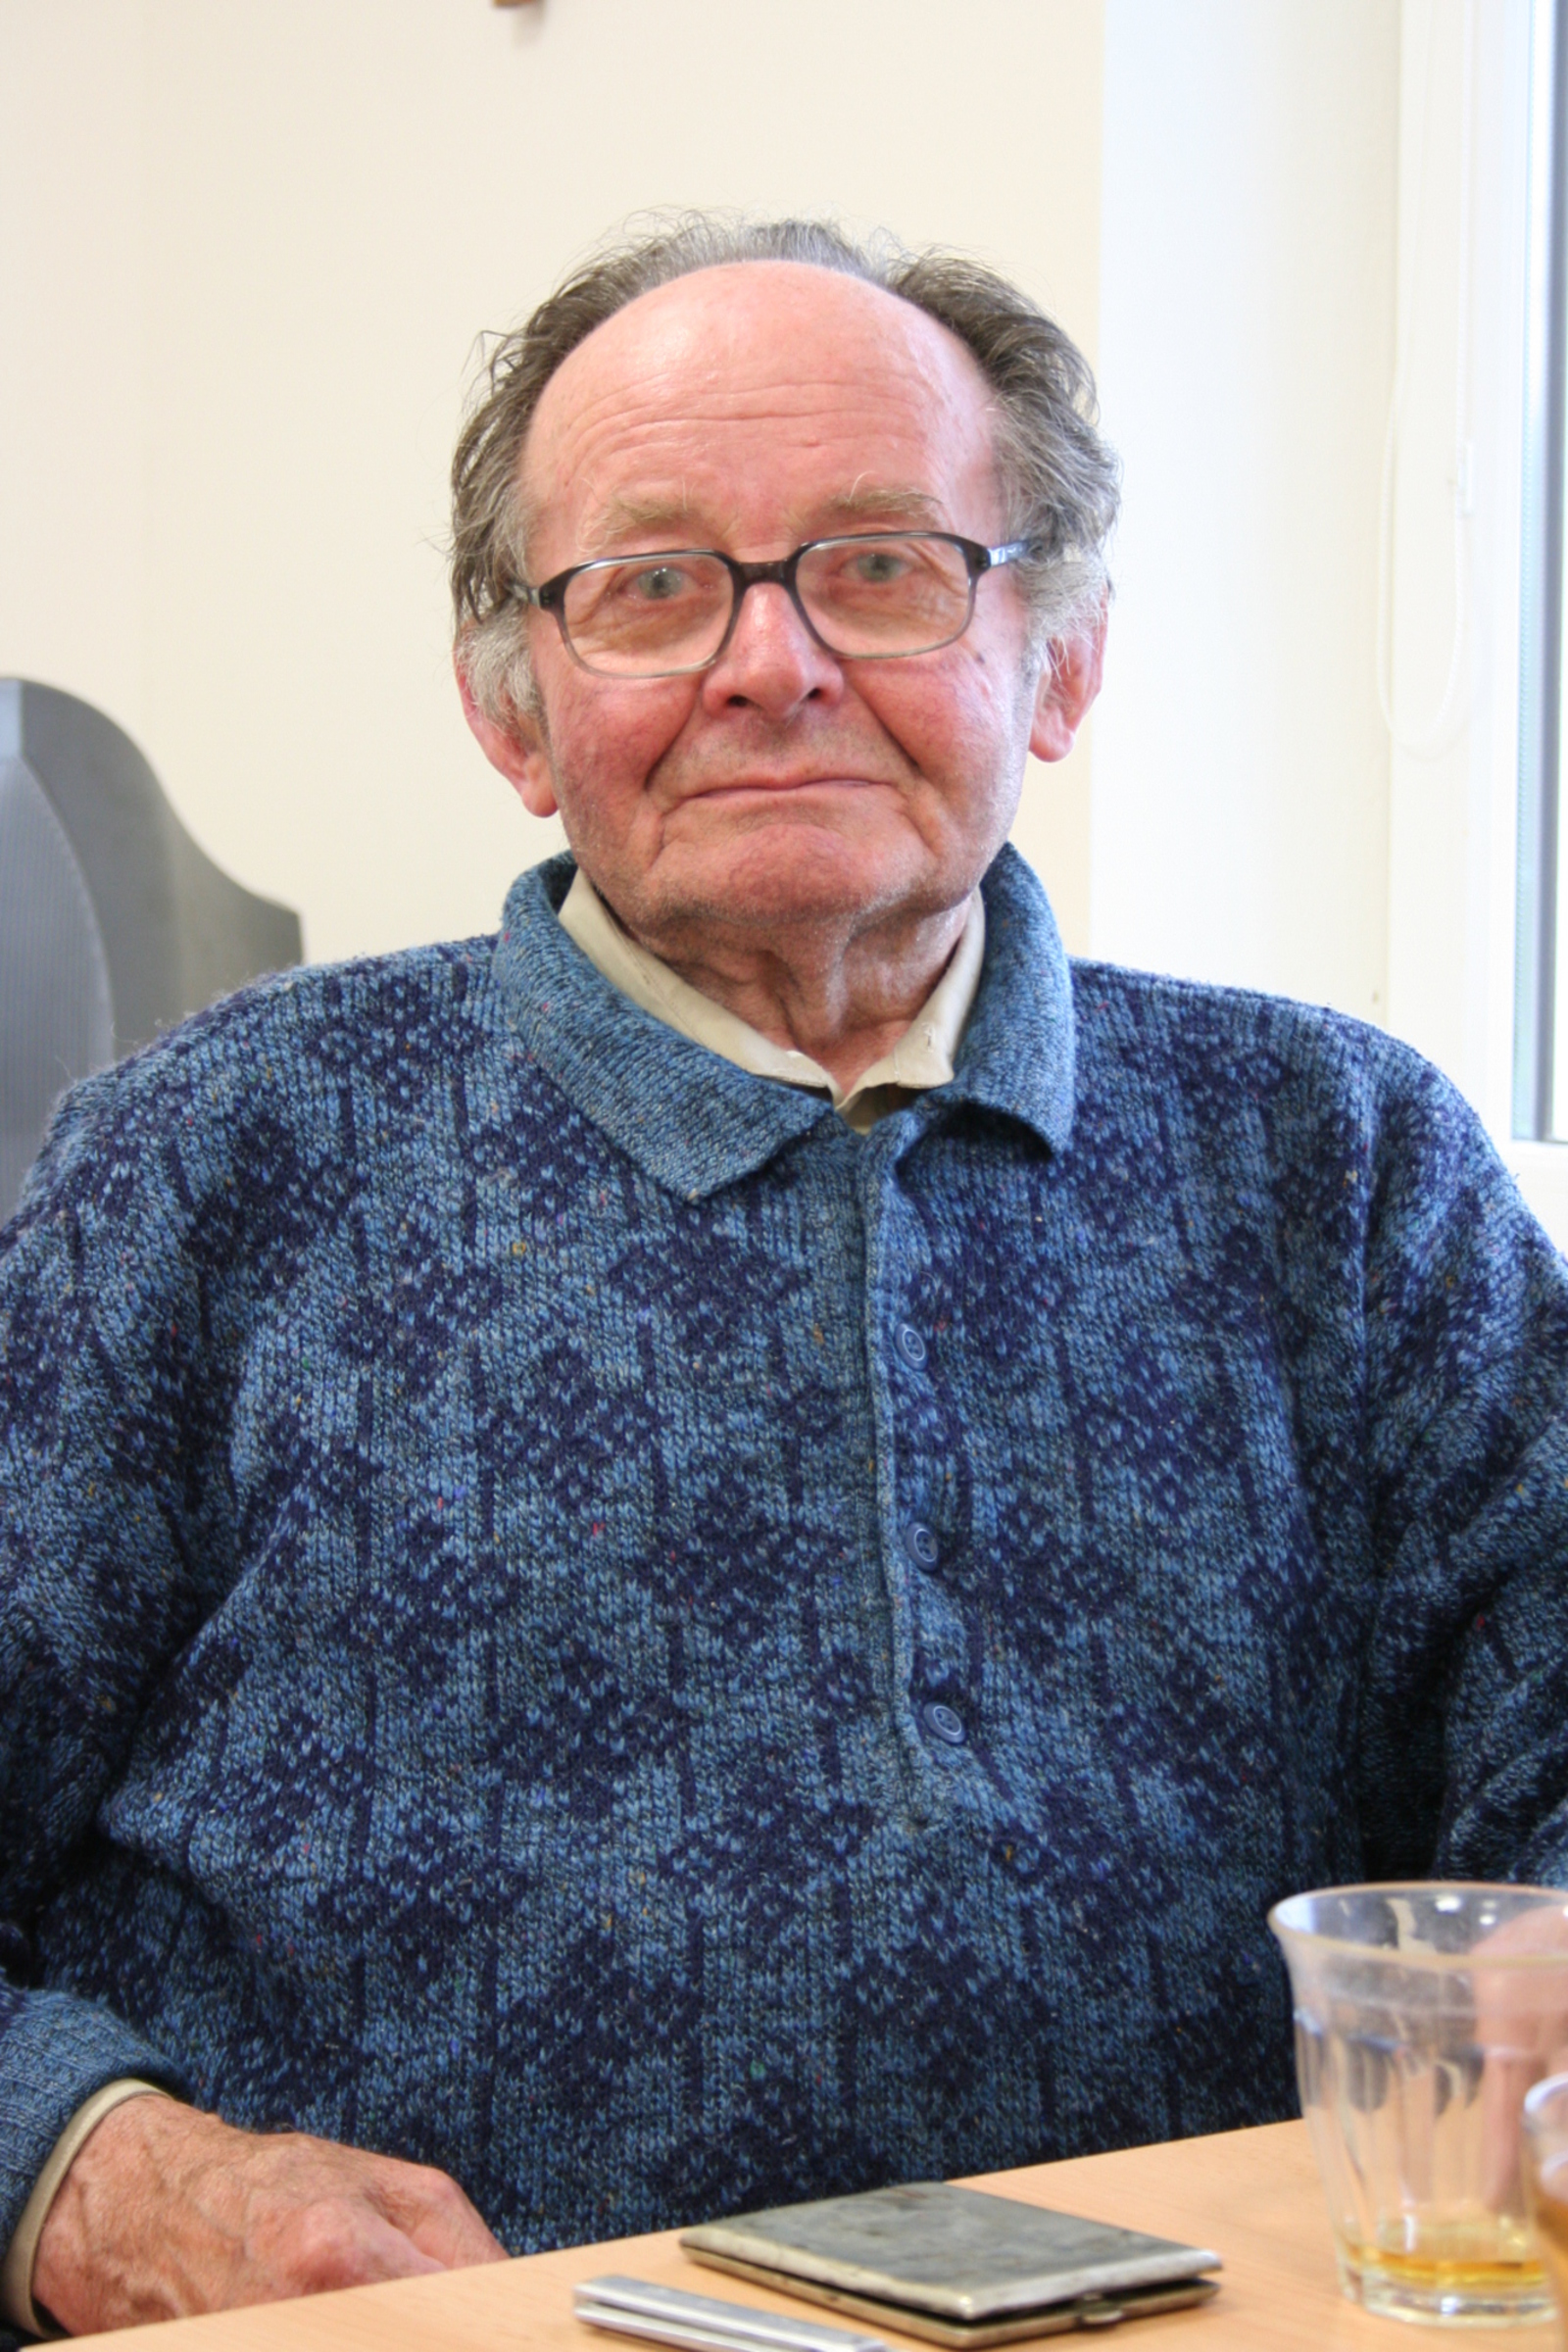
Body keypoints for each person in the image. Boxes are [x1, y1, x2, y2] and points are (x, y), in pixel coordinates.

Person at [3, 213, 1568, 2338]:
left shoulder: (1342, 1156)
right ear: (513, 712)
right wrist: (96, 2172)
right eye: (653, 586)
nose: (771, 663)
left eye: (880, 565)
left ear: (1060, 662)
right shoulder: (205, 1163)